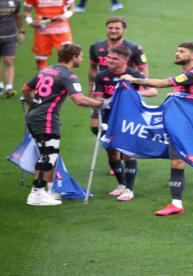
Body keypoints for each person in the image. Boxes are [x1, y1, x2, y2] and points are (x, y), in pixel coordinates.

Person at [121, 42, 193, 216]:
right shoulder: (185, 74)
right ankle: (176, 204)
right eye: (177, 50)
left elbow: (164, 83)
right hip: (180, 124)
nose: (176, 54)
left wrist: (134, 80)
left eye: (181, 51)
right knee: (177, 162)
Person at [22, 43, 107, 206]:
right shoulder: (68, 76)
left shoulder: (45, 70)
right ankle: (36, 194)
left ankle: (47, 190)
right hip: (46, 119)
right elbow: (79, 99)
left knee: (47, 153)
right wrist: (100, 104)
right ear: (73, 57)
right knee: (48, 155)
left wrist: (34, 105)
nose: (82, 59)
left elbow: (26, 89)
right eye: (81, 56)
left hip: (35, 116)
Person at [92, 45, 157, 201]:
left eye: (114, 58)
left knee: (127, 152)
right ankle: (121, 184)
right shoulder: (102, 75)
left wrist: (130, 94)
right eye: (108, 57)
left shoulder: (134, 74)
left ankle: (129, 189)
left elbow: (153, 91)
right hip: (109, 117)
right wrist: (105, 102)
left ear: (125, 60)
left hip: (129, 118)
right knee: (111, 150)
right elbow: (98, 98)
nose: (109, 60)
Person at [88, 16, 149, 174]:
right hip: (104, 90)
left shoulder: (134, 47)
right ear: (106, 28)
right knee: (96, 127)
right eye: (110, 27)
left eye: (117, 28)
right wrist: (92, 88)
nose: (113, 30)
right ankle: (115, 152)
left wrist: (140, 88)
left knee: (122, 128)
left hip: (127, 93)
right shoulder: (96, 46)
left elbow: (143, 68)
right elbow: (93, 68)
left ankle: (119, 155)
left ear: (123, 30)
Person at [23, 0, 74, 70]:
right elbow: (26, 11)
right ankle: (44, 78)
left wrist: (64, 16)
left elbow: (71, 8)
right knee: (40, 60)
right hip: (42, 28)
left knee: (67, 55)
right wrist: (30, 22)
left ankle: (65, 78)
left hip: (61, 29)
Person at [0, 0, 24, 98]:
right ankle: (0, 85)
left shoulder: (15, 2)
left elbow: (17, 17)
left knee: (9, 60)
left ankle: (9, 87)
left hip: (10, 36)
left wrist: (21, 31)